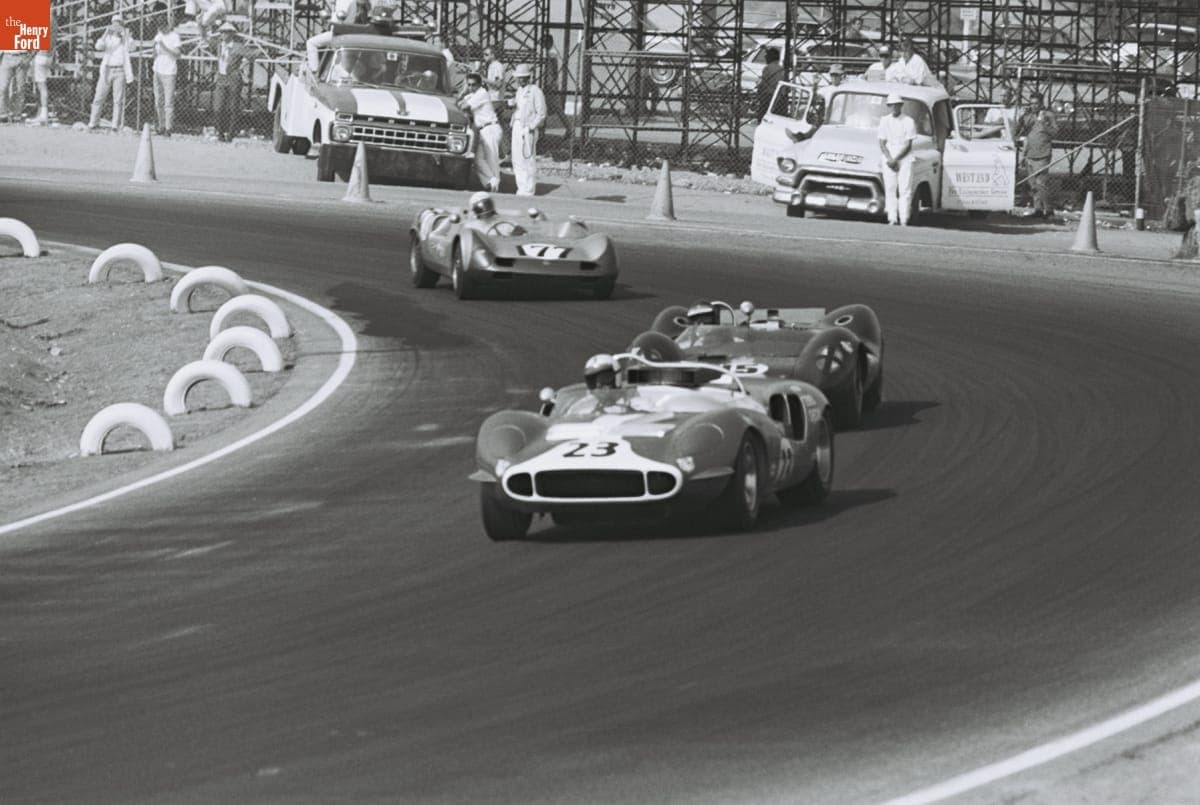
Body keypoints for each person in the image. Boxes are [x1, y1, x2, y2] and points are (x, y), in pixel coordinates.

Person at [87, 14, 133, 130]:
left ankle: (115, 125)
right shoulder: (108, 38)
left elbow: (132, 47)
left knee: (118, 99)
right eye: (114, 23)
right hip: (107, 70)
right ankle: (93, 122)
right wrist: (106, 33)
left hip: (120, 70)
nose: (116, 25)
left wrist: (124, 35)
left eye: (119, 23)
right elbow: (98, 46)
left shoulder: (126, 39)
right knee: (99, 96)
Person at [458, 71, 501, 191]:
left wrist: (463, 97)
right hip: (481, 130)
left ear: (480, 84)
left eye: (473, 85)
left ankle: (495, 187)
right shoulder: (472, 95)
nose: (471, 87)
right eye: (469, 85)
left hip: (490, 128)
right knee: (478, 160)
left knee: (491, 160)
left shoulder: (482, 93)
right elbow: (457, 103)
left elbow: (463, 106)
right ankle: (491, 182)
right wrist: (463, 91)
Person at [878, 92, 916, 226]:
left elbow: (908, 144)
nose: (894, 107)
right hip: (889, 157)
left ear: (901, 105)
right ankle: (892, 218)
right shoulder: (884, 120)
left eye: (897, 105)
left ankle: (904, 218)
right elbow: (882, 142)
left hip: (904, 157)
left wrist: (896, 159)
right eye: (892, 105)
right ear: (889, 106)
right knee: (890, 188)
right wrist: (889, 159)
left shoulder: (908, 121)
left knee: (905, 189)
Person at [508, 63, 545, 197]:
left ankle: (529, 189)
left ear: (528, 78)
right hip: (517, 125)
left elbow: (541, 113)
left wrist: (531, 127)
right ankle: (521, 188)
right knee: (517, 158)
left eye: (523, 77)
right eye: (519, 77)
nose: (520, 80)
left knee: (527, 158)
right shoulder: (519, 92)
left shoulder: (535, 91)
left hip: (527, 127)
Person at [1018, 96, 1057, 218]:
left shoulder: (1048, 115)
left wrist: (1043, 122)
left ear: (1041, 104)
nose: (1034, 106)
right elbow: (1020, 128)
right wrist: (1023, 115)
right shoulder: (1029, 116)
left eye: (1036, 103)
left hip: (1042, 153)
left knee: (1042, 184)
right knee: (1033, 184)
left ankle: (1049, 209)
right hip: (1030, 153)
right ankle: (1038, 209)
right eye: (1032, 103)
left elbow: (1054, 132)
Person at [212, 21, 251, 142]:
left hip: (233, 77)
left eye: (224, 32)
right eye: (221, 32)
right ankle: (220, 132)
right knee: (218, 107)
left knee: (233, 107)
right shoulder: (220, 45)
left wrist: (242, 65)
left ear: (230, 34)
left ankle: (230, 133)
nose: (221, 35)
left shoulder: (238, 46)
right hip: (222, 77)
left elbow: (252, 54)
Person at [152, 19, 183, 135]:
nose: (160, 29)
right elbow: (154, 53)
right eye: (158, 27)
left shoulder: (174, 36)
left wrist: (163, 46)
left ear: (167, 25)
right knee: (158, 100)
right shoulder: (158, 36)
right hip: (157, 70)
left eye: (162, 26)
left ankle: (168, 128)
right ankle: (161, 126)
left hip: (169, 71)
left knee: (168, 101)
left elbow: (178, 54)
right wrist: (154, 48)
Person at [755, 46, 785, 119]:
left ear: (770, 57)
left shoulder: (767, 68)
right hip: (779, 96)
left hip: (768, 95)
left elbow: (764, 82)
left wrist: (758, 90)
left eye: (767, 56)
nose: (765, 58)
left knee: (763, 115)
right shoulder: (781, 68)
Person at [31, 49, 51, 124]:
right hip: (48, 56)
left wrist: (30, 56)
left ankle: (43, 114)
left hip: (40, 56)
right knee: (41, 86)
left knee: (42, 87)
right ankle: (40, 113)